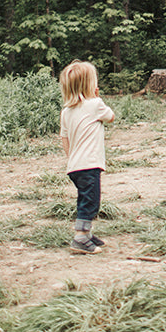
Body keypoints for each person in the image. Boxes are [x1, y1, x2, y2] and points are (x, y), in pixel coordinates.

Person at [58, 60, 116, 255]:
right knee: (91, 201)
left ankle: (87, 234)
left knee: (85, 198)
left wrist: (72, 158)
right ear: (90, 86)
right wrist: (98, 98)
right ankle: (80, 237)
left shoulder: (66, 112)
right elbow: (111, 117)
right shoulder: (95, 104)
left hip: (75, 165)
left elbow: (64, 138)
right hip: (89, 164)